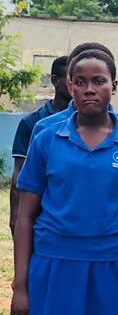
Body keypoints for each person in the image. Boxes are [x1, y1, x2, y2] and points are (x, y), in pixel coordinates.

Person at [12, 49, 118, 315]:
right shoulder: (46, 139)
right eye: (80, 82)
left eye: (99, 81)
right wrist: (20, 286)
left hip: (116, 266)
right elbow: (25, 216)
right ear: (70, 86)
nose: (89, 89)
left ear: (114, 86)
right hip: (55, 261)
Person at [9, 55, 69, 237]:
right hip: (41, 215)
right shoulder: (33, 123)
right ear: (55, 80)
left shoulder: (88, 123)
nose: (76, 85)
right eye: (71, 79)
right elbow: (19, 172)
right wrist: (15, 216)